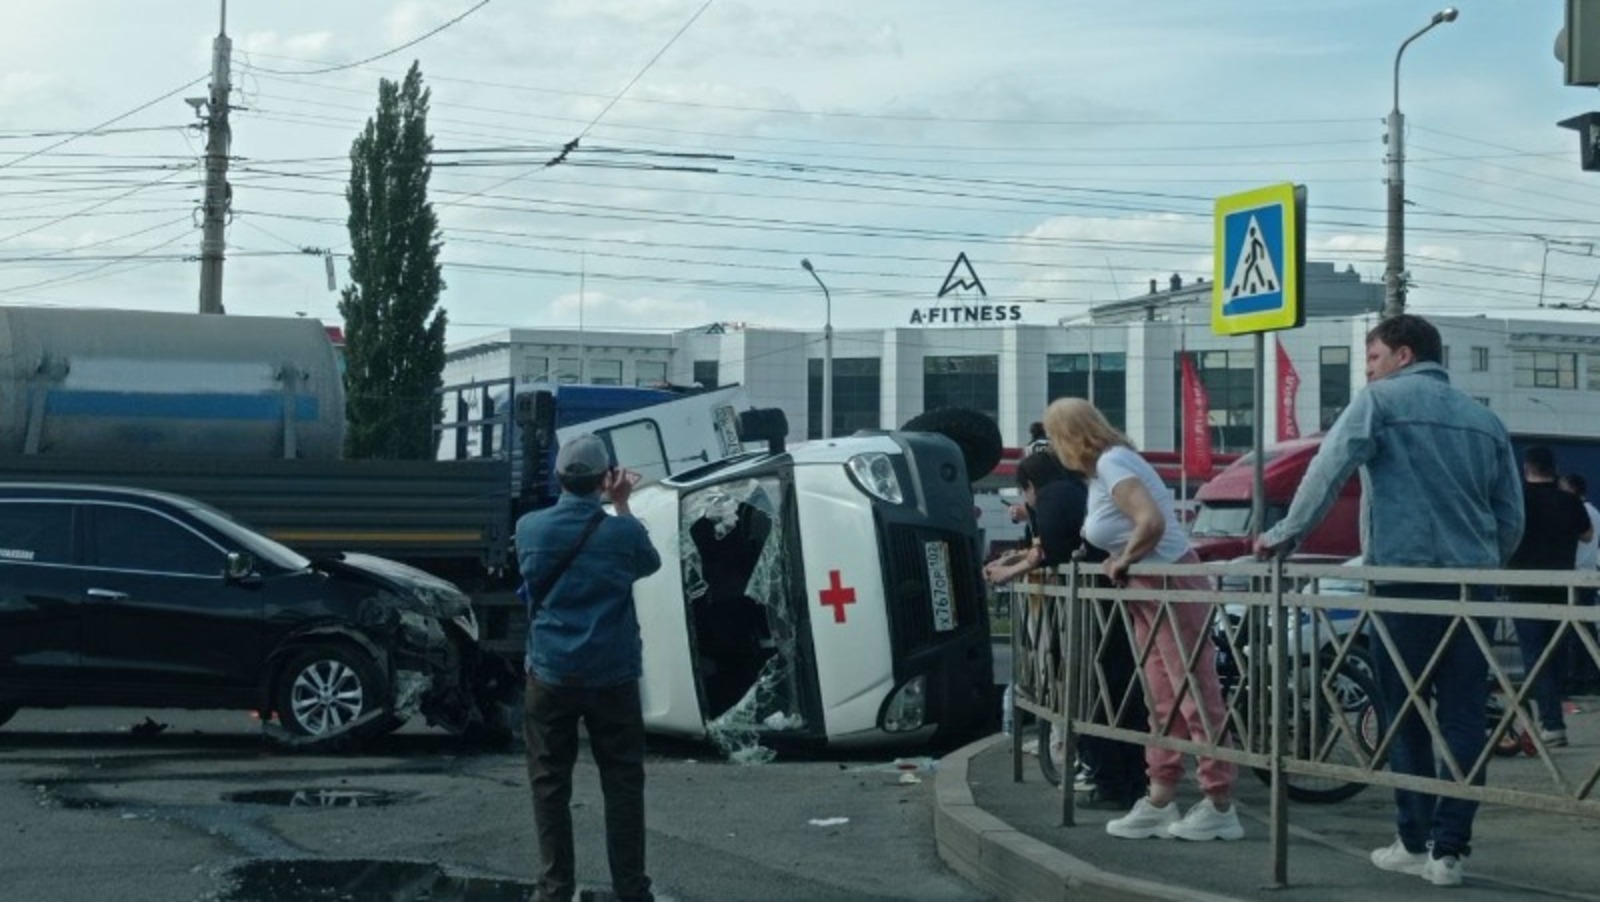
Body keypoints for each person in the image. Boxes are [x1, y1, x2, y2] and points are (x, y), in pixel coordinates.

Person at [1256, 314, 1524, 888]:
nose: (1369, 368)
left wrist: (1284, 536)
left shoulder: (1380, 402)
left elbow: (1329, 468)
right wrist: (1483, 563)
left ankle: (1412, 837)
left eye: (1372, 357)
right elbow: (1510, 517)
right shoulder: (1486, 420)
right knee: (1462, 716)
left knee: (1403, 711)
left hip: (1403, 581)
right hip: (1472, 587)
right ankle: (1450, 852)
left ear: (1402, 355)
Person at [1042, 397, 1242, 842]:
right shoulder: (1107, 468)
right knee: (1164, 698)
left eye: (1055, 438)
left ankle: (1219, 802)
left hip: (1167, 583)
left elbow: (1148, 521)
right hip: (1154, 587)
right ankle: (1161, 795)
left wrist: (1122, 559)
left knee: (1192, 693)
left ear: (1068, 437)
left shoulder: (1113, 464)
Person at [516, 433, 663, 902]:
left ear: (559, 478)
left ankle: (555, 887)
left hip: (550, 672)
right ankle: (630, 888)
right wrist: (621, 504)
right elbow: (650, 562)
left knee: (549, 783)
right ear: (605, 479)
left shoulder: (529, 529)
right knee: (622, 783)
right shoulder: (623, 533)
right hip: (612, 674)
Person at [984, 450, 1150, 810]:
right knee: (1119, 691)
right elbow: (1046, 549)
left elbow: (1048, 552)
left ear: (1029, 486)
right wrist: (1013, 562)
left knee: (1087, 691)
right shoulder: (1075, 490)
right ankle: (1134, 779)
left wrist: (1007, 572)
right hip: (1110, 608)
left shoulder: (1053, 497)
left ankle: (1111, 782)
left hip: (1089, 613)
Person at [1507, 447, 1593, 748]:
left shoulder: (1517, 498)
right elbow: (1587, 535)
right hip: (1561, 588)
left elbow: (1504, 531)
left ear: (1525, 467)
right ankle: (1552, 717)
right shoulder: (1569, 500)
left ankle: (1551, 723)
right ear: (1553, 468)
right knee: (1556, 656)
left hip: (1523, 587)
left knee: (1535, 655)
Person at [1558, 472, 1600, 694]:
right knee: (1585, 628)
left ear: (1572, 489)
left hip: (1574, 574)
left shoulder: (1576, 511)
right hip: (1588, 573)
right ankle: (1590, 675)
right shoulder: (1594, 512)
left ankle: (1574, 677)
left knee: (1572, 631)